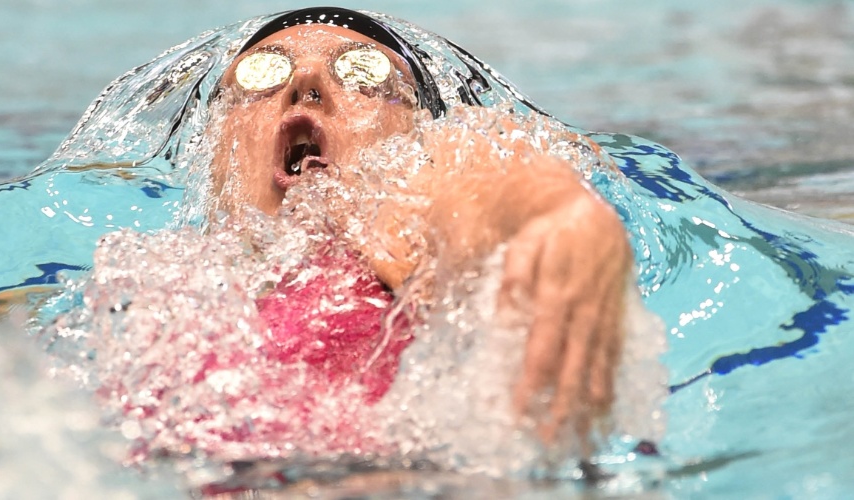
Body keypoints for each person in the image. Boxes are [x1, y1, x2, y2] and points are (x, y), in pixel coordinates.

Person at [204, 7, 634, 456]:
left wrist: (558, 214)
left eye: (361, 72)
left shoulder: (403, 233)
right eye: (262, 73)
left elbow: (487, 176)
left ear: (417, 132)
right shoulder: (160, 286)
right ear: (212, 150)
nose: (307, 81)